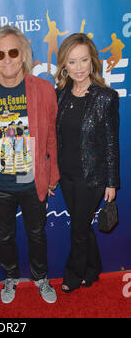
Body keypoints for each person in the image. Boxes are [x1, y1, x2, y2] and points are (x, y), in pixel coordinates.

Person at [0, 26, 59, 304]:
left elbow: (52, 137)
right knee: (5, 237)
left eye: (13, 51)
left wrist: (52, 175)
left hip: (34, 180)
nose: (7, 59)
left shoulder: (44, 89)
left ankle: (41, 277)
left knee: (37, 234)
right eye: (0, 54)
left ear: (23, 55)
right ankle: (10, 277)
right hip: (1, 183)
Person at [54, 33, 120, 293]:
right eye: (72, 62)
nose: (78, 68)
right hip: (66, 176)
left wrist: (111, 182)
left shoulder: (105, 97)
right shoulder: (60, 95)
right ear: (64, 65)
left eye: (83, 60)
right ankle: (93, 269)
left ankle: (73, 274)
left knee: (78, 230)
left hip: (92, 177)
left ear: (92, 61)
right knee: (82, 227)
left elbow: (112, 142)